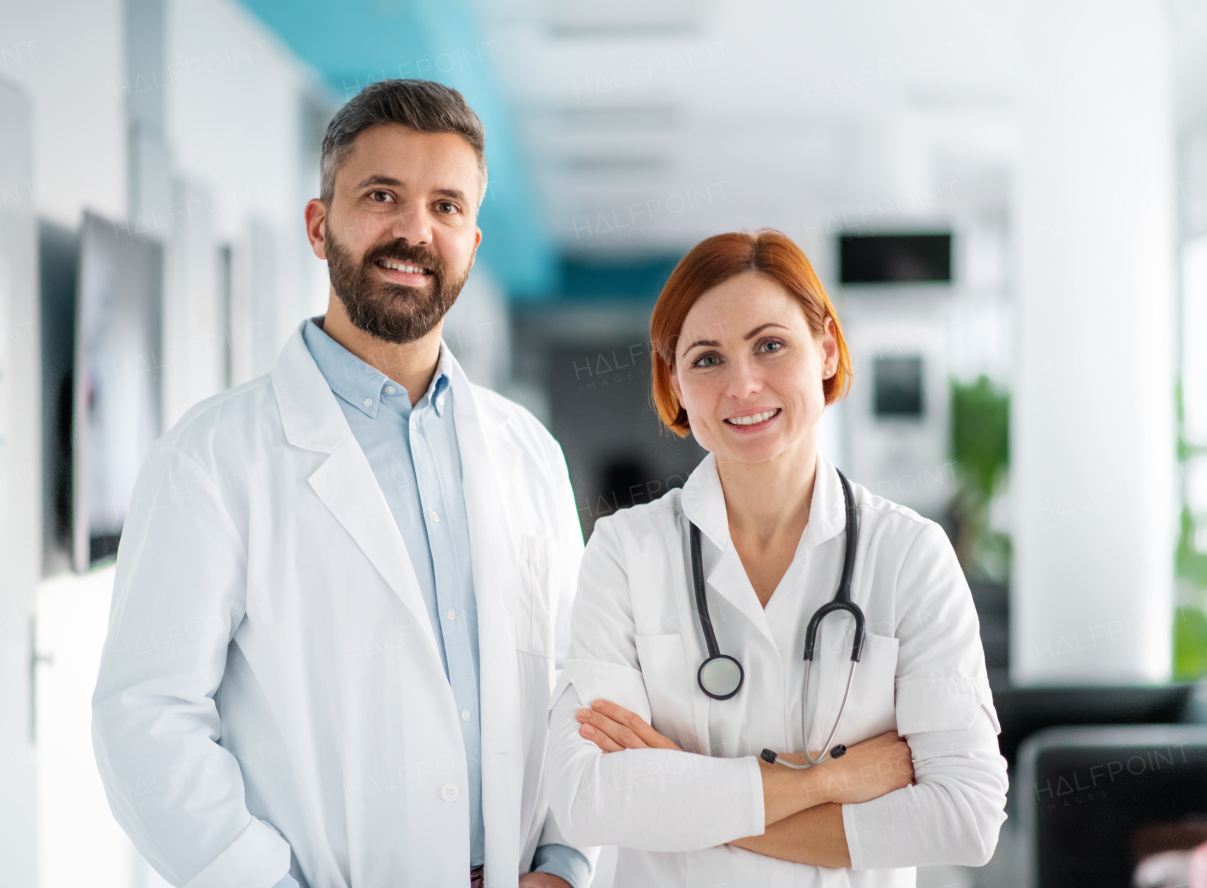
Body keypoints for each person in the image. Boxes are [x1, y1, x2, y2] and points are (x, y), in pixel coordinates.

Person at [91, 80, 592, 888]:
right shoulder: (213, 459)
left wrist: (566, 862)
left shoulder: (527, 452)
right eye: (382, 196)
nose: (414, 232)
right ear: (320, 227)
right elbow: (145, 719)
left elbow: (580, 680)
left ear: (472, 239)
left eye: (446, 207)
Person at [543, 230, 1008, 885]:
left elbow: (967, 817)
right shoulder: (625, 552)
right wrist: (833, 779)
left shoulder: (908, 556)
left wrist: (686, 801)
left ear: (825, 349)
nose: (743, 384)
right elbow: (591, 799)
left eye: (770, 345)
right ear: (673, 383)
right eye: (707, 359)